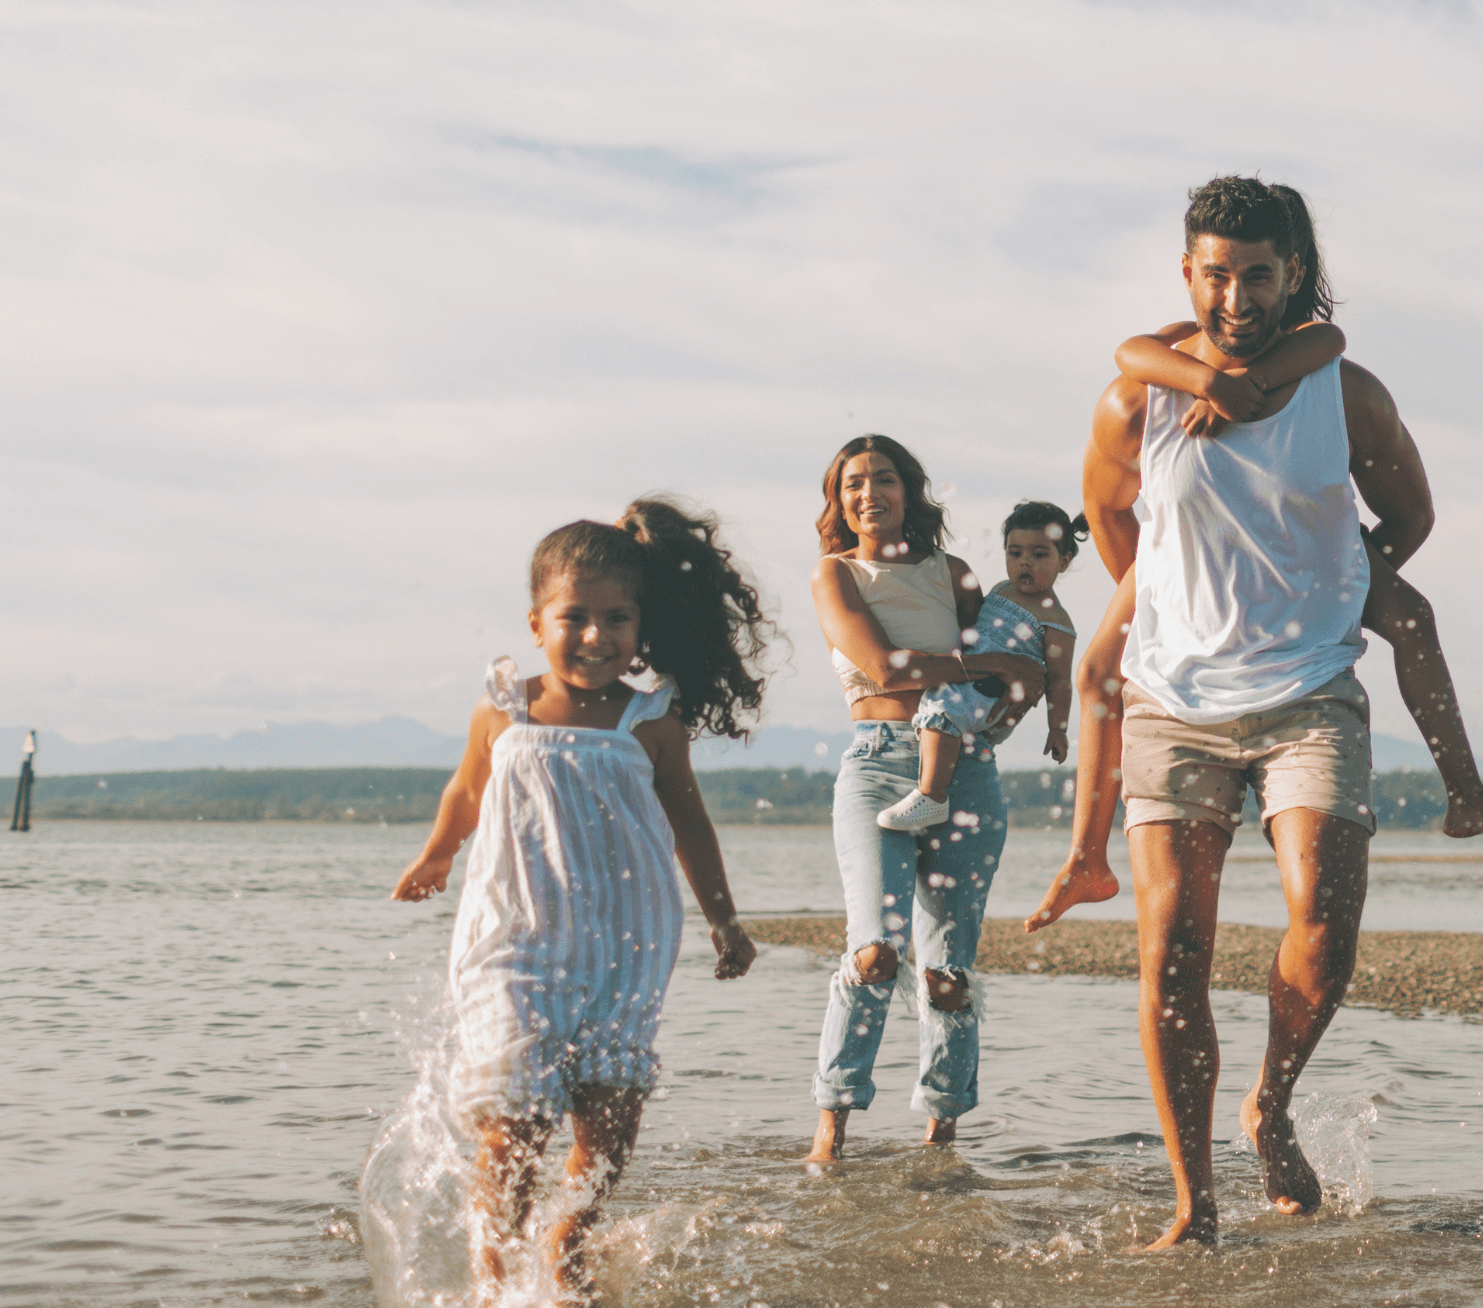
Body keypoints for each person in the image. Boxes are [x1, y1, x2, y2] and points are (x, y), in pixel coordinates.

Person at [1028, 176, 1483, 1246]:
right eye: (1216, 272)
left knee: (1321, 922)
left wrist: (1332, 577)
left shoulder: (1344, 394)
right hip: (1171, 703)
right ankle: (1191, 1203)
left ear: (1290, 271)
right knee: (1170, 950)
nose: (1236, 295)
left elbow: (1411, 511)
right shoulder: (1134, 400)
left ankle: (1270, 1101)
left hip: (1308, 693)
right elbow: (1112, 519)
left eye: (1257, 272)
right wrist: (1164, 591)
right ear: (1185, 272)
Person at [392, 497, 768, 1303]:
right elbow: (466, 790)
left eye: (617, 619)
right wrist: (436, 854)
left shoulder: (651, 719)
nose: (596, 636)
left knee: (608, 1122)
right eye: (575, 618)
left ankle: (570, 1239)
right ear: (536, 623)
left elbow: (688, 822)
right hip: (515, 940)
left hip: (624, 945)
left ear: (641, 626)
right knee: (512, 1121)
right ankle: (495, 1282)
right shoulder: (505, 707)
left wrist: (723, 919)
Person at [806, 434, 1050, 1164]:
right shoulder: (835, 574)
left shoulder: (956, 573)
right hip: (878, 767)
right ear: (839, 499)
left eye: (883, 479)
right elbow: (882, 667)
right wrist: (989, 664)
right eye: (853, 483)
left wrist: (1014, 675)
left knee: (947, 972)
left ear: (908, 492)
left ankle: (941, 1135)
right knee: (877, 952)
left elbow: (1013, 673)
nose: (867, 493)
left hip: (966, 772)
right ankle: (833, 1124)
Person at [875, 499, 1083, 831]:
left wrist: (1057, 729)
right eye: (1015, 554)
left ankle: (932, 796)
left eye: (1040, 554)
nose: (1024, 563)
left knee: (942, 710)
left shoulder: (1056, 622)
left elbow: (1059, 680)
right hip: (975, 674)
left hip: (994, 692)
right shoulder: (1001, 589)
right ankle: (936, 781)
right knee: (940, 709)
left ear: (1065, 560)